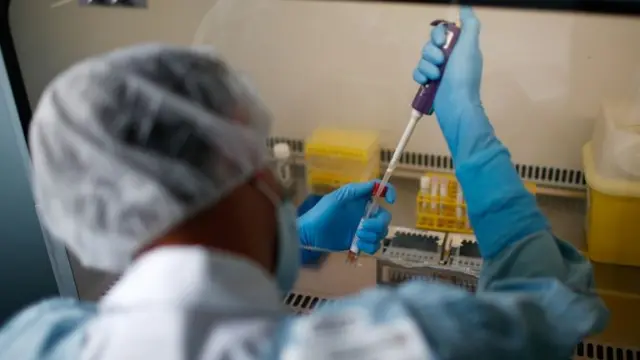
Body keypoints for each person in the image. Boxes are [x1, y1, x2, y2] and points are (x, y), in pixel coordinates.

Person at [0, 7, 607, 360]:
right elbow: (554, 306)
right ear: (247, 174)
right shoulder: (405, 341)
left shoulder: (37, 340)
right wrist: (468, 130)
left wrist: (302, 237)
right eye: (255, 160)